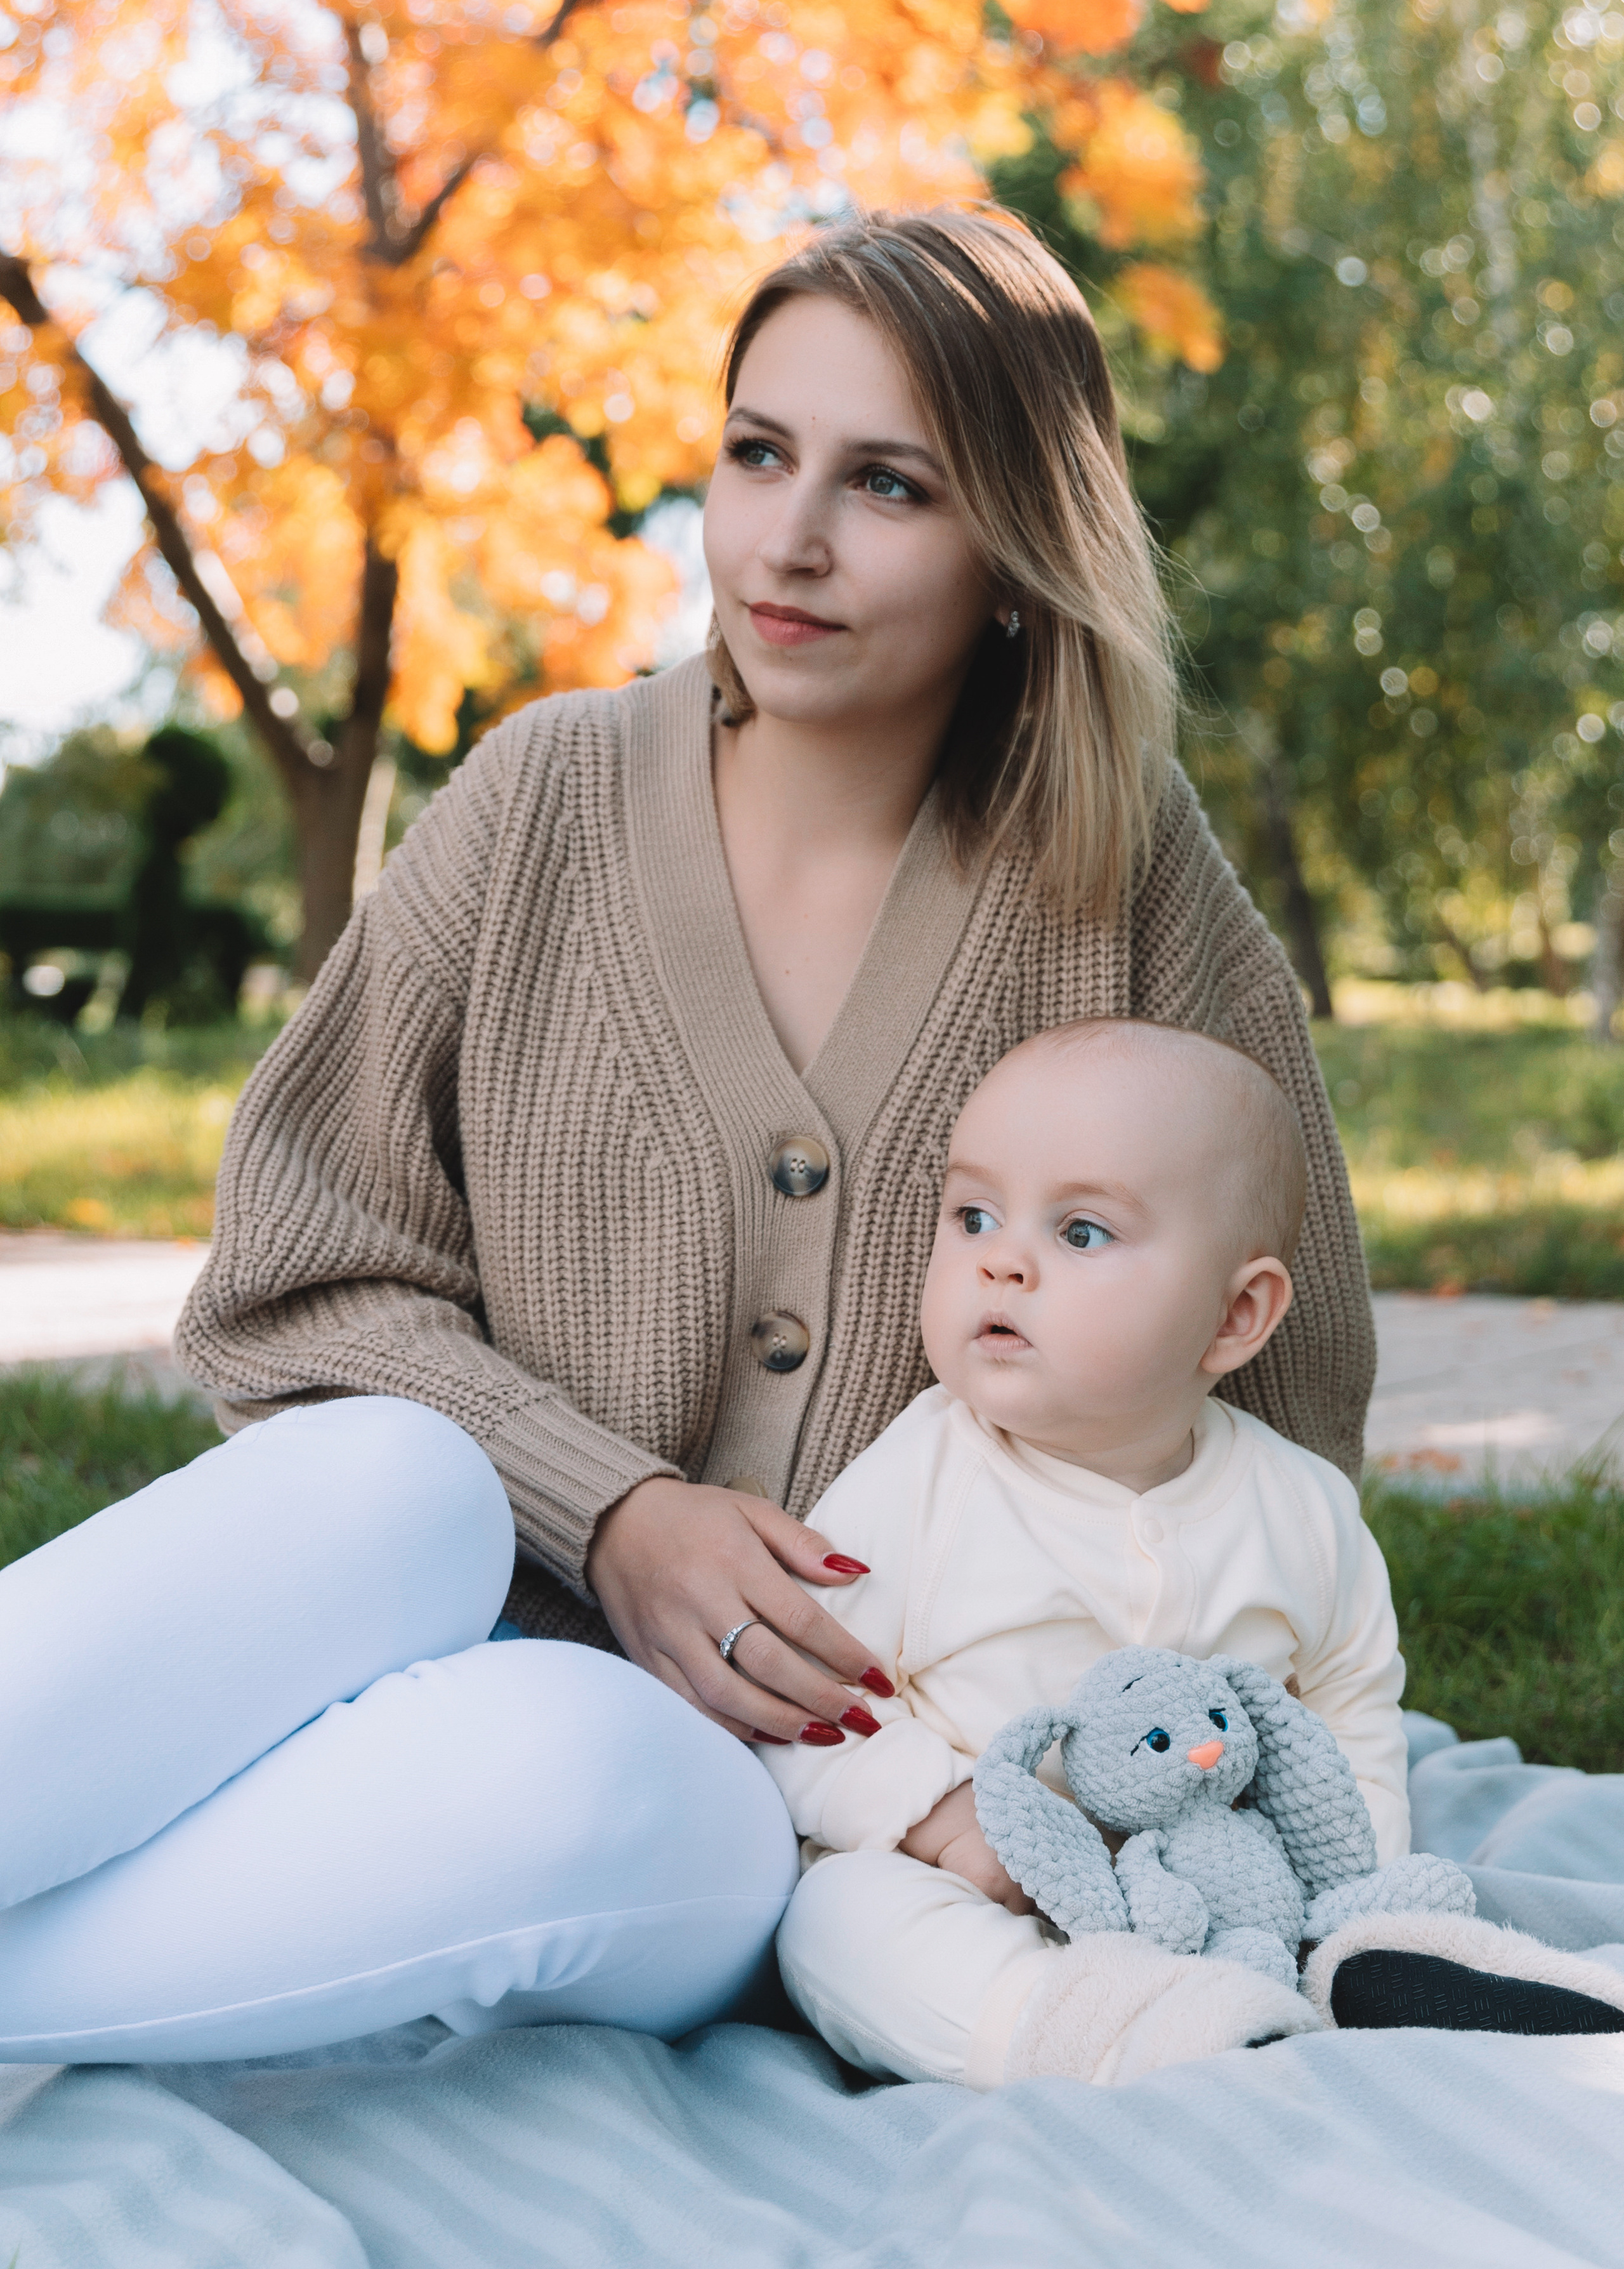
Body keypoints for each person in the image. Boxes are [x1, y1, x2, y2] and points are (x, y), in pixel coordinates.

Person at [0, 209, 1373, 2066]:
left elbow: (1281, 1410)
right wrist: (612, 1510)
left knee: (590, 1757)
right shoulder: (541, 799)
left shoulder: (1122, 879)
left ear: (1020, 551)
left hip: (795, 1818)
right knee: (392, 1481)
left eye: (888, 483)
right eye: (756, 454)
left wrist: (1051, 1790)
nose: (786, 539)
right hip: (443, 1626)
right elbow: (292, 1287)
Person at [762, 1016, 1405, 2089]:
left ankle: (1342, 1966)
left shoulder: (1300, 1507)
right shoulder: (919, 1480)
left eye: (1082, 1234)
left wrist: (1349, 1875)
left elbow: (1352, 1705)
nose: (1002, 1262)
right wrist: (934, 1811)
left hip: (1218, 1892)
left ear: (1237, 1314)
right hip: (985, 1886)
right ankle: (1093, 2035)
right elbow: (810, 1698)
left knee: (1370, 1907)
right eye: (973, 1216)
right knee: (837, 1921)